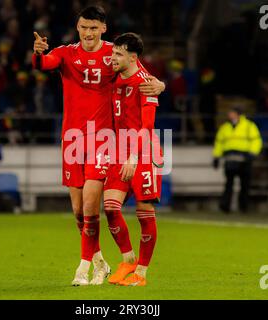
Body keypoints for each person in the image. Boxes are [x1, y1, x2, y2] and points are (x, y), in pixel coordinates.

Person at [32, 5, 165, 286]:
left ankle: (87, 268)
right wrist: (38, 53)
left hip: (104, 139)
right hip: (72, 140)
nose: (89, 32)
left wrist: (160, 85)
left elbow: (142, 74)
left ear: (103, 28)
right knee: (79, 213)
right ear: (77, 27)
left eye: (94, 28)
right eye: (84, 27)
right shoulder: (67, 53)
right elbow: (44, 65)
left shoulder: (113, 54)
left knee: (94, 205)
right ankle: (99, 262)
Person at [103, 33, 163, 286]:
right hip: (119, 150)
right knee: (110, 207)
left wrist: (133, 157)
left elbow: (146, 127)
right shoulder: (115, 75)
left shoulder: (146, 83)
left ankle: (141, 274)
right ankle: (128, 259)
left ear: (133, 58)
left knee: (144, 213)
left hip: (144, 152)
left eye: (118, 54)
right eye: (113, 52)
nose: (112, 57)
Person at [212, 106, 263, 213]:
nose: (229, 115)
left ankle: (243, 207)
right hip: (230, 159)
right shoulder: (225, 127)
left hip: (244, 159)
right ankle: (225, 206)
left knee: (245, 185)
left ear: (238, 114)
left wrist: (252, 154)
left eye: (231, 113)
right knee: (228, 184)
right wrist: (216, 156)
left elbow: (256, 141)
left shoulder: (249, 126)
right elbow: (219, 143)